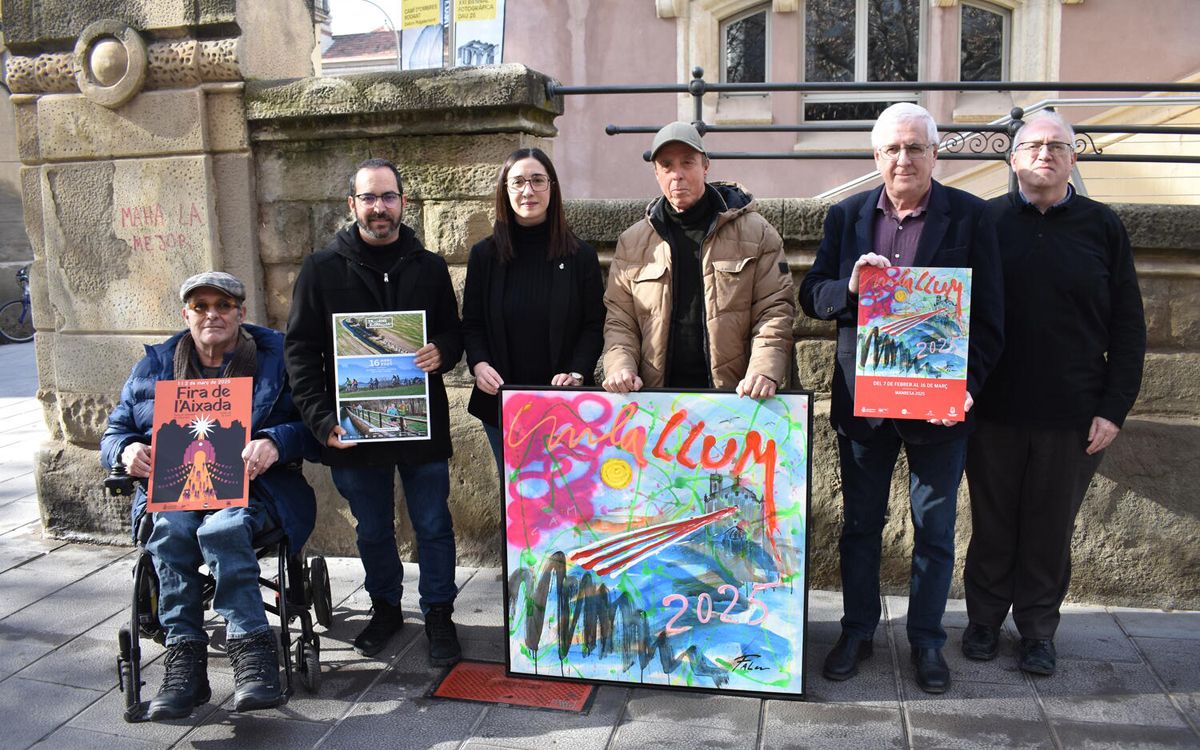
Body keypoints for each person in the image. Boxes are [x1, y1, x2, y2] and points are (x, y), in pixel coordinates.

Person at [798, 103, 1004, 694]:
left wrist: (966, 388)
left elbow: (990, 319)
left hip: (941, 408)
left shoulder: (971, 218)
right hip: (865, 405)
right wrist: (853, 287)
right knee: (862, 526)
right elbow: (814, 295)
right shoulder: (847, 217)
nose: (903, 158)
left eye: (915, 147)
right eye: (892, 148)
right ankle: (858, 631)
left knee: (934, 532)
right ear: (876, 156)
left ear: (935, 154)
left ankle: (926, 642)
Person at [963, 112, 1146, 676]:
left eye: (1057, 146)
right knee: (992, 524)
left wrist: (1113, 409)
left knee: (1049, 530)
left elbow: (1129, 326)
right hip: (991, 409)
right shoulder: (984, 221)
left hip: (1073, 415)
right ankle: (984, 623)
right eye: (1033, 145)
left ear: (1073, 158)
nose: (1045, 153)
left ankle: (1039, 632)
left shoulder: (1102, 227)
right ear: (1012, 158)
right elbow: (951, 312)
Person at [100, 272, 317, 720]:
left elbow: (313, 426)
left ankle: (253, 653)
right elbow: (115, 431)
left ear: (241, 312)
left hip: (256, 489)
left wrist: (275, 441)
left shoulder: (277, 359)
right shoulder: (156, 366)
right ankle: (185, 661)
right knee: (171, 532)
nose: (212, 314)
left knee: (224, 527)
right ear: (187, 315)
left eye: (223, 305)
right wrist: (126, 450)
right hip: (176, 492)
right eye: (201, 307)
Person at [284, 158, 465, 666]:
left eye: (388, 197)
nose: (379, 207)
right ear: (352, 205)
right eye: (369, 197)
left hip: (419, 425)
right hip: (353, 429)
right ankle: (385, 607)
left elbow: (454, 332)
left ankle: (438, 614)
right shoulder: (320, 270)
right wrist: (321, 422)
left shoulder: (428, 267)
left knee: (433, 523)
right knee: (372, 527)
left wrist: (442, 353)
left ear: (403, 203)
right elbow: (299, 352)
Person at [602, 121, 794, 396]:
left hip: (734, 400)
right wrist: (621, 367)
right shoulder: (632, 242)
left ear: (705, 166)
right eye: (667, 165)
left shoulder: (757, 233)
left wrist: (763, 371)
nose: (677, 175)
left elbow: (774, 309)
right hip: (655, 402)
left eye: (687, 163)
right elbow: (621, 320)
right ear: (656, 173)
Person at [462, 147, 604, 470]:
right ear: (505, 191)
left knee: (566, 503)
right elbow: (472, 323)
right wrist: (479, 364)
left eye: (538, 180)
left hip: (565, 405)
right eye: (518, 182)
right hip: (501, 404)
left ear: (552, 187)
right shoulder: (484, 256)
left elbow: (594, 325)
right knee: (518, 505)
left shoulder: (581, 256)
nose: (528, 191)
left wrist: (578, 372)